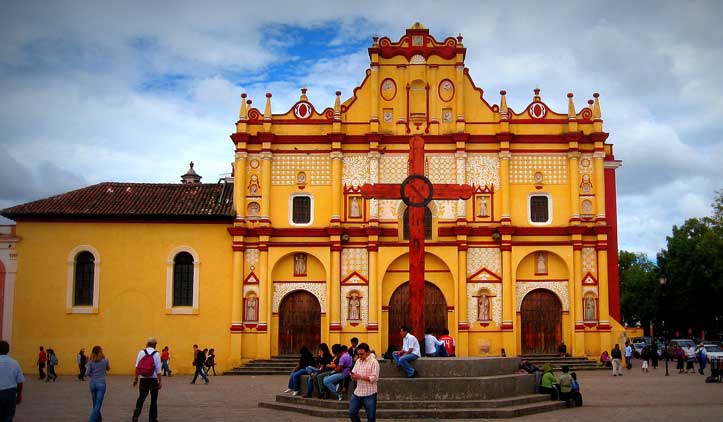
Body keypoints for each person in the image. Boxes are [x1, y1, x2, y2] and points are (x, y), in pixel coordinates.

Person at [132, 338, 162, 422]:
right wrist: (160, 381)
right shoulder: (156, 354)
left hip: (143, 379)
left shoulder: (141, 352)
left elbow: (137, 367)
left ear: (147, 344)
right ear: (155, 345)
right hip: (153, 380)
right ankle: (152, 418)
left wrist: (136, 378)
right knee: (153, 399)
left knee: (141, 397)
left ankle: (136, 415)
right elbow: (158, 369)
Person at [349, 343, 379, 422]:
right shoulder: (358, 361)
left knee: (371, 418)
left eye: (361, 354)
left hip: (370, 394)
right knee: (352, 413)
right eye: (358, 354)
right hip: (357, 393)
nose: (359, 356)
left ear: (368, 352)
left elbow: (374, 378)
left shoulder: (374, 362)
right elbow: (354, 373)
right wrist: (352, 376)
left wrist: (360, 377)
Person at [0, 341, 24, 421]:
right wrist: (19, 394)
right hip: (10, 394)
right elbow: (20, 382)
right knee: (8, 417)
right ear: (8, 350)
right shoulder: (14, 363)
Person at [86, 345, 110, 422]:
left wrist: (92, 375)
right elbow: (108, 368)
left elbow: (87, 373)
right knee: (98, 403)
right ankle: (92, 420)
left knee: (95, 403)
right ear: (101, 352)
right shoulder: (105, 360)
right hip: (101, 383)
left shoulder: (90, 361)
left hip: (92, 383)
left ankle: (98, 420)